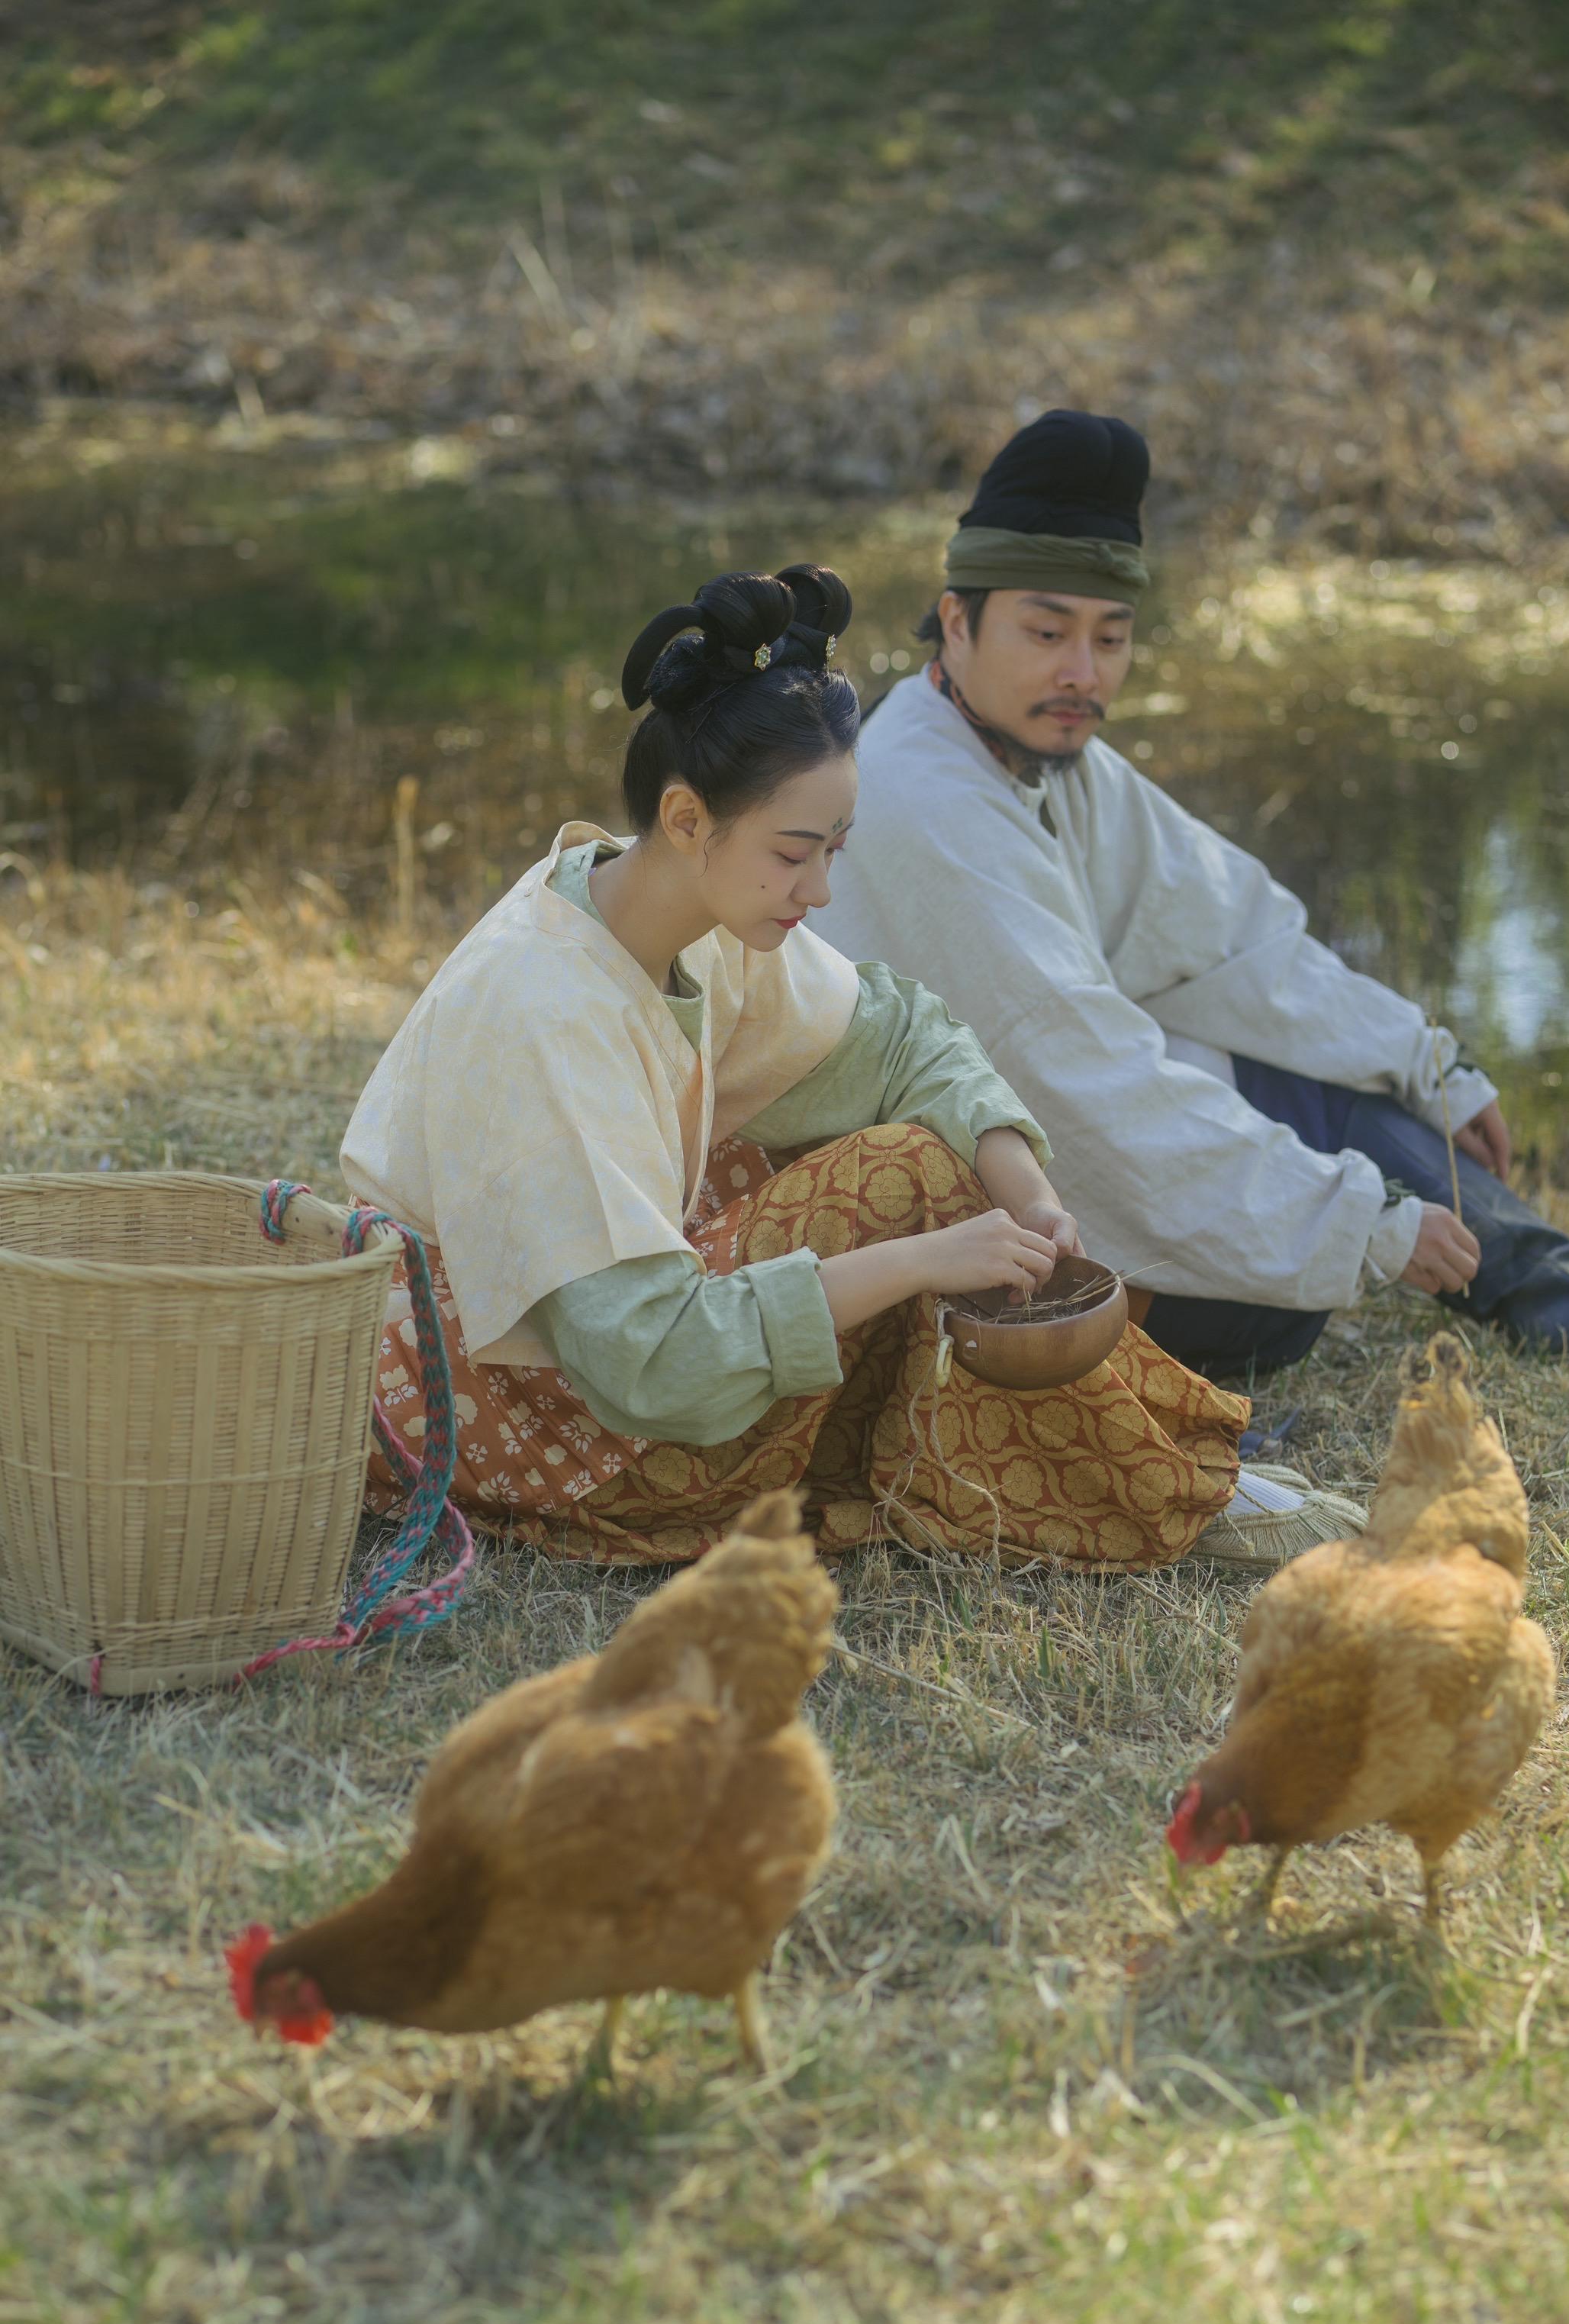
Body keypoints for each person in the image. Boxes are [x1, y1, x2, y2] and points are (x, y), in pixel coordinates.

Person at [342, 563, 1364, 1570]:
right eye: (797, 853)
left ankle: (1173, 1466)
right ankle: (1179, 1488)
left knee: (900, 1152)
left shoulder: (683, 901)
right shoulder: (548, 1006)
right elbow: (650, 1365)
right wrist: (923, 1258)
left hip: (615, 1352)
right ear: (690, 817)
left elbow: (903, 1035)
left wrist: (1025, 1188)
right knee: (900, 1184)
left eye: (837, 848)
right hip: (568, 1424)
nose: (822, 889)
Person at [815, 410, 1569, 1381]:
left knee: (1321, 1060)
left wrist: (1424, 1061)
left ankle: (1548, 1286)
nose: (1082, 674)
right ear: (957, 621)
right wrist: (1358, 1222)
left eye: (1110, 638)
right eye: (1047, 632)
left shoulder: (1047, 754)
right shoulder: (923, 794)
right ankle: (1491, 1274)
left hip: (1053, 1149)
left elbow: (1237, 941)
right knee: (1274, 1306)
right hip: (964, 1217)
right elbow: (1077, 1077)